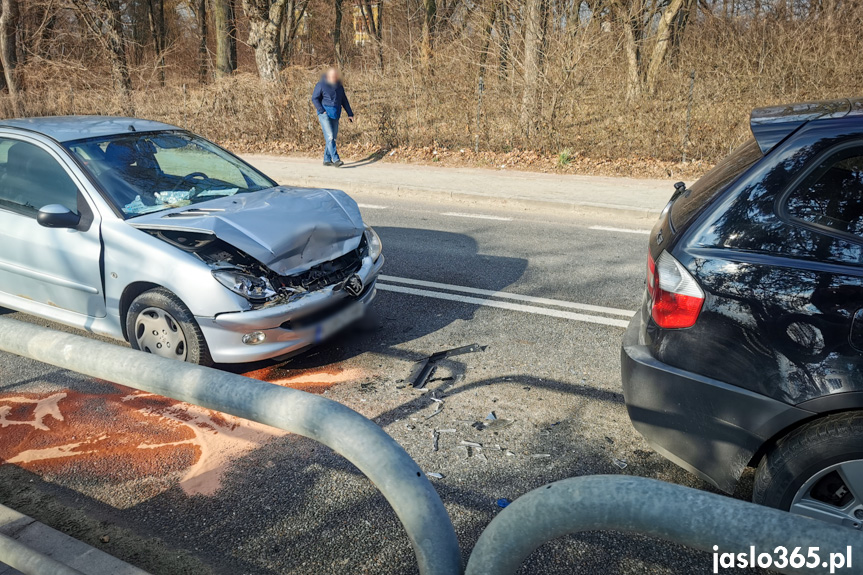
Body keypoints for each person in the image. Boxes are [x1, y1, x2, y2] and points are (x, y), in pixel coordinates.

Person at [312, 68, 354, 167]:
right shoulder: (321, 85)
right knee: (330, 136)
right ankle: (336, 159)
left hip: (336, 113)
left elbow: (344, 101)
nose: (334, 78)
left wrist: (350, 114)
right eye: (332, 76)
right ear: (327, 76)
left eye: (335, 76)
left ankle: (326, 159)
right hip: (324, 113)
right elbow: (314, 98)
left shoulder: (339, 86)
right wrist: (322, 110)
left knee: (332, 138)